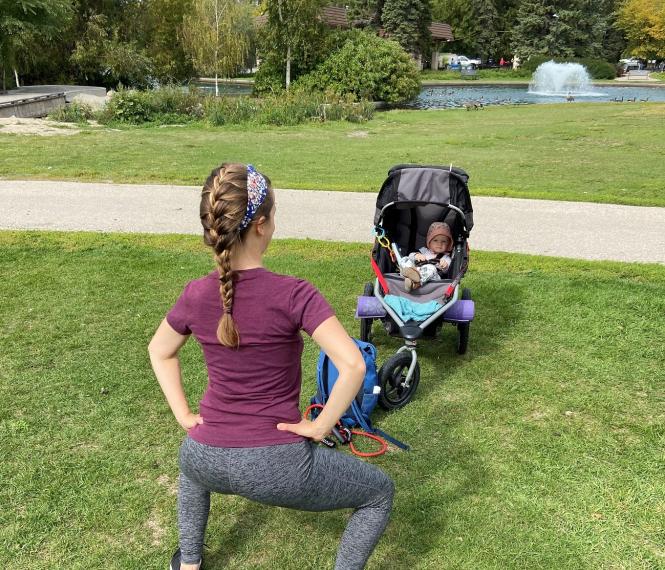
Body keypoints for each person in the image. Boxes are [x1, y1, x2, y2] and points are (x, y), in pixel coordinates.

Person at [148, 163, 394, 570]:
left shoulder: (195, 293)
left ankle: (188, 563)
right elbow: (351, 364)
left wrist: (185, 415)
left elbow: (160, 350)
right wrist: (319, 426)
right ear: (261, 225)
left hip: (204, 453)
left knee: (193, 467)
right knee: (379, 493)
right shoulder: (294, 293)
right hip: (276, 466)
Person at [398, 222, 454, 291]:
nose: (439, 244)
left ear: (448, 244)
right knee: (405, 259)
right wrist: (416, 255)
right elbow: (410, 256)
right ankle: (408, 275)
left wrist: (445, 265)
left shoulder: (446, 258)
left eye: (444, 241)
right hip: (415, 269)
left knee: (431, 268)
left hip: (432, 278)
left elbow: (447, 270)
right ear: (429, 242)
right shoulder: (424, 251)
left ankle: (416, 283)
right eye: (435, 240)